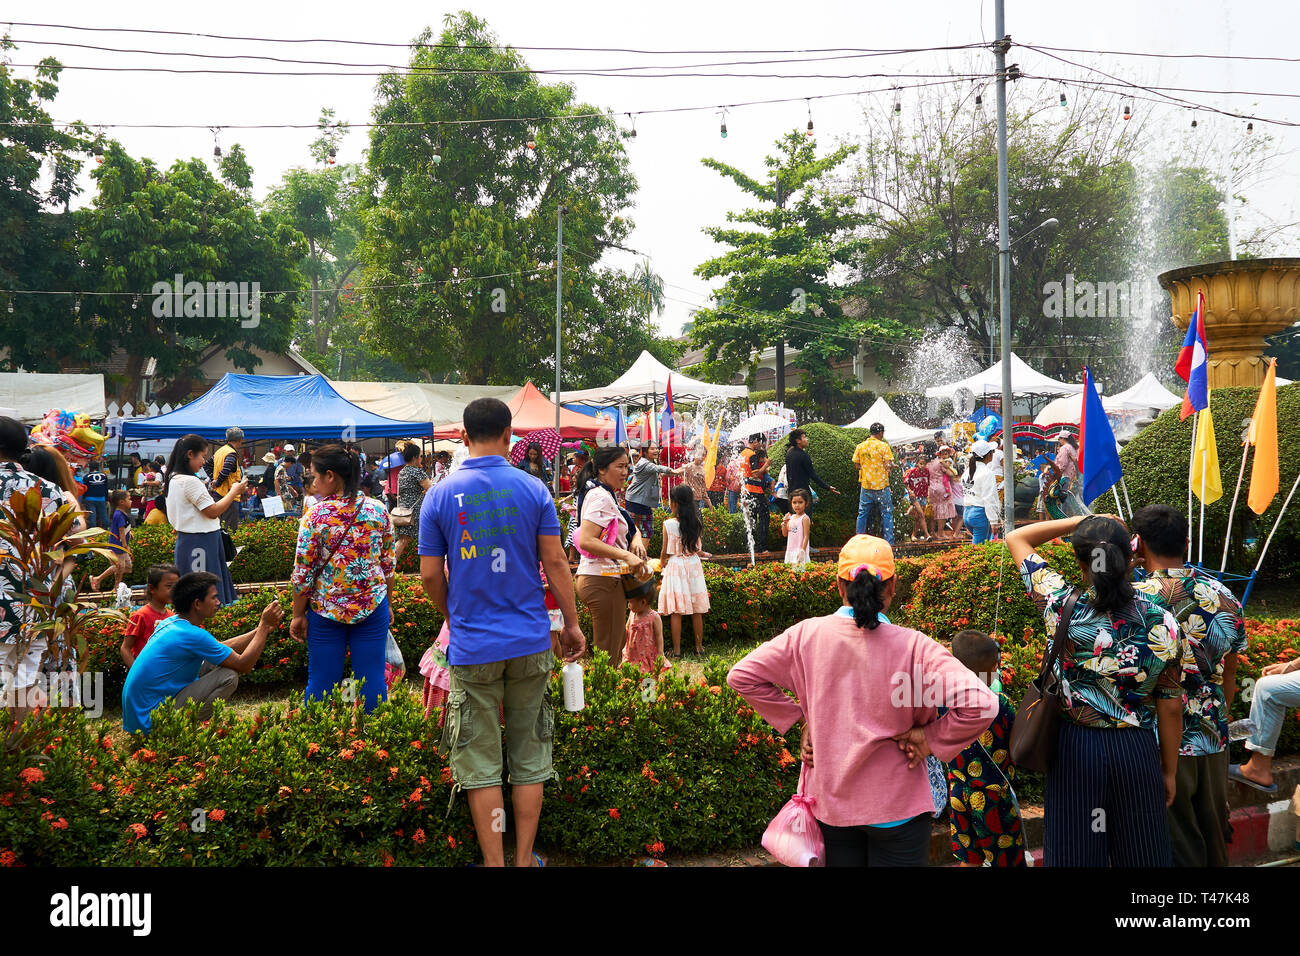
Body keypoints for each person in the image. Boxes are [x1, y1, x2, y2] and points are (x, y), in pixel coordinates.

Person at [727, 535, 997, 867]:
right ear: (893, 586)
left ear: (840, 587)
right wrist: (929, 739)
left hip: (833, 805)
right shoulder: (916, 647)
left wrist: (802, 719)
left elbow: (741, 676)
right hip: (899, 809)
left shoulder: (805, 636)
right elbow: (983, 703)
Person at [418, 397, 585, 868]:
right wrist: (571, 624)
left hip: (472, 648)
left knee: (480, 761)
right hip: (531, 641)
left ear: (464, 437)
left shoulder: (440, 494)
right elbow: (555, 563)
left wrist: (453, 616)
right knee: (530, 756)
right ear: (510, 437)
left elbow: (430, 574)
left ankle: (494, 863)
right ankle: (524, 859)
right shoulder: (534, 490)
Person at [1006, 513, 1183, 867]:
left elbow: (1017, 538)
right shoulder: (1161, 620)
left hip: (1075, 750)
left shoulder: (1060, 606)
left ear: (1079, 561)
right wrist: (1168, 771)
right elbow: (1171, 705)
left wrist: (1083, 520)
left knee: (1075, 854)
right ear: (1130, 557)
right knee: (1143, 856)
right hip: (1136, 750)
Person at [1128, 504, 1245, 866]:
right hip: (1213, 733)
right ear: (1188, 542)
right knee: (1213, 832)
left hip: (1161, 738)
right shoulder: (1223, 594)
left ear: (1138, 544)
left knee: (1178, 841)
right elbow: (1229, 675)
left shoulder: (1135, 600)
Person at [289, 444, 395, 714]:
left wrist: (297, 615)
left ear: (331, 476)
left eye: (314, 475)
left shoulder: (314, 517)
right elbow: (388, 567)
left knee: (322, 679)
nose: (313, 482)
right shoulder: (378, 510)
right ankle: (374, 741)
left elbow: (303, 574)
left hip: (326, 610)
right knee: (372, 676)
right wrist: (388, 604)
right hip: (372, 606)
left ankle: (317, 740)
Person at [121, 571, 283, 735]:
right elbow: (244, 664)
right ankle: (188, 731)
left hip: (139, 717)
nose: (218, 602)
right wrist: (263, 627)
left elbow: (218, 647)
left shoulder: (172, 623)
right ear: (197, 604)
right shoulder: (192, 634)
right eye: (213, 598)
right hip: (151, 722)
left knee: (214, 660)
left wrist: (261, 630)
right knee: (228, 676)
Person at [0, 418, 75, 723]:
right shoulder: (51, 490)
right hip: (35, 605)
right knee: (23, 683)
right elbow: (66, 549)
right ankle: (17, 755)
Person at [947, 630, 1026, 867]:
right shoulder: (1000, 703)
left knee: (969, 859)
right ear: (993, 668)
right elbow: (1018, 740)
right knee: (1007, 859)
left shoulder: (944, 701)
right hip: (993, 798)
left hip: (959, 792)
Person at [574, 446, 649, 662]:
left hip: (604, 578)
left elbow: (626, 524)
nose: (626, 472)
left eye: (627, 466)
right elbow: (587, 540)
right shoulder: (600, 496)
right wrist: (626, 556)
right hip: (602, 579)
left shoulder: (606, 494)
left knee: (613, 646)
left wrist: (634, 541)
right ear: (602, 469)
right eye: (620, 466)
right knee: (608, 653)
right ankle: (599, 694)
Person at [163, 434, 245, 605]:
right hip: (200, 541)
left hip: (192, 540)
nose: (203, 462)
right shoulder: (189, 481)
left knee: (194, 594)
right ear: (190, 454)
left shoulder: (173, 478)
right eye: (202, 456)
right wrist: (233, 492)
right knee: (203, 595)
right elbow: (213, 511)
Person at [658, 484, 711, 657]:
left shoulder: (668, 524)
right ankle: (699, 647)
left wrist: (661, 563)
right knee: (697, 610)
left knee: (676, 611)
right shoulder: (696, 522)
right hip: (693, 565)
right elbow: (696, 548)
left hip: (676, 566)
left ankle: (677, 651)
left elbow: (665, 551)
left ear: (674, 503)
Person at [119, 564, 179, 668]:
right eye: (169, 586)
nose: (174, 590)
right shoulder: (140, 616)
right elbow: (125, 648)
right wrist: (136, 672)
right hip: (147, 673)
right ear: (152, 588)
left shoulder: (172, 616)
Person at [625, 443, 679, 542]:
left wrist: (668, 474)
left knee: (635, 529)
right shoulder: (645, 463)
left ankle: (635, 554)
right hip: (637, 501)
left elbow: (656, 473)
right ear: (645, 452)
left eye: (657, 448)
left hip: (636, 499)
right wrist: (671, 470)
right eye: (652, 449)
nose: (656, 450)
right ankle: (640, 556)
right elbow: (658, 468)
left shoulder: (648, 463)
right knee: (646, 531)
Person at [851, 423, 895, 543]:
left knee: (862, 513)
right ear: (880, 433)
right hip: (882, 486)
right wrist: (890, 466)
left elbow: (857, 465)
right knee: (886, 513)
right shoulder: (884, 446)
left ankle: (859, 541)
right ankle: (889, 542)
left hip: (866, 485)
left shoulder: (860, 446)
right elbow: (888, 465)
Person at [394, 443, 432, 566]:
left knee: (403, 540)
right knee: (424, 539)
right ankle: (426, 567)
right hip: (415, 511)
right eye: (420, 456)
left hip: (404, 511)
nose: (421, 459)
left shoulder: (402, 472)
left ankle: (389, 567)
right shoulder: (417, 472)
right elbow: (431, 489)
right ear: (415, 457)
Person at [783, 428, 838, 511]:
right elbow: (813, 475)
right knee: (805, 519)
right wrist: (827, 487)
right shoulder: (803, 456)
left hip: (792, 493)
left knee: (795, 520)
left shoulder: (789, 453)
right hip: (803, 493)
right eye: (804, 437)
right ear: (798, 440)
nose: (807, 439)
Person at [90, 490, 133, 592]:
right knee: (120, 567)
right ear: (122, 502)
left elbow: (124, 528)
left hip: (120, 546)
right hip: (117, 546)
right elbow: (121, 531)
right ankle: (115, 588)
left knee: (128, 568)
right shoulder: (118, 514)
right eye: (129, 499)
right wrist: (125, 546)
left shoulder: (123, 514)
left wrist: (130, 533)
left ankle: (97, 579)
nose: (131, 501)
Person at [623, 575, 666, 674]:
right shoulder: (632, 614)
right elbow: (626, 629)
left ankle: (651, 688)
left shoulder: (654, 617)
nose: (628, 606)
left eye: (630, 602)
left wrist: (660, 653)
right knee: (633, 677)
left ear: (643, 602)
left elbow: (659, 636)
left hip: (648, 655)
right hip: (632, 654)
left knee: (649, 678)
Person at [962, 440, 1001, 545]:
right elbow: (989, 498)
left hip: (967, 513)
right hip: (980, 514)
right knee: (979, 550)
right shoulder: (987, 473)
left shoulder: (968, 471)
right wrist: (993, 521)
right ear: (988, 454)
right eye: (992, 451)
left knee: (980, 546)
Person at [739, 434, 772, 553]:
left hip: (745, 490)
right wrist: (766, 465)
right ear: (755, 442)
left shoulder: (742, 454)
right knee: (764, 517)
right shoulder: (752, 455)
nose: (761, 445)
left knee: (750, 519)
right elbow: (755, 474)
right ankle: (761, 547)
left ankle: (750, 547)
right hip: (755, 490)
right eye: (760, 442)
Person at [211, 427, 246, 531]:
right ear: (240, 440)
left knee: (220, 527)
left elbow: (207, 464)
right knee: (229, 530)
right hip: (229, 496)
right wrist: (217, 482)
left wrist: (214, 479)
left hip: (218, 495)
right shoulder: (231, 453)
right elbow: (227, 468)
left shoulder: (220, 451)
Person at [927, 446, 961, 540]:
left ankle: (933, 533)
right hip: (942, 488)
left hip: (932, 488)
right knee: (942, 511)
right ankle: (940, 533)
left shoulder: (929, 463)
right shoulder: (941, 462)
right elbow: (950, 474)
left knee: (934, 511)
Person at [903, 452, 931, 542]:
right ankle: (927, 535)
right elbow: (905, 483)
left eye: (924, 464)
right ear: (917, 463)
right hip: (914, 496)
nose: (922, 466)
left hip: (923, 496)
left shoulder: (927, 472)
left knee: (918, 517)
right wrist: (910, 491)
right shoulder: (912, 471)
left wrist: (928, 494)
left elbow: (928, 483)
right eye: (921, 463)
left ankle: (913, 535)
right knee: (922, 515)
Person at [782, 489, 812, 567]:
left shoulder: (805, 518)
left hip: (799, 552)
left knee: (800, 573)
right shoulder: (791, 517)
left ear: (806, 503)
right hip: (790, 551)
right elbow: (785, 534)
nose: (797, 505)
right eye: (794, 502)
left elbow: (806, 536)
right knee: (790, 575)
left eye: (800, 502)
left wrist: (802, 550)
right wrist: (785, 522)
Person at [81, 458, 110, 530]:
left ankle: (92, 534)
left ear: (90, 468)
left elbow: (84, 489)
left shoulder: (86, 477)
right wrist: (106, 499)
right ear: (98, 467)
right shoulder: (104, 476)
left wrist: (83, 499)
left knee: (92, 517)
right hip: (101, 498)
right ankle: (107, 530)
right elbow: (106, 488)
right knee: (104, 516)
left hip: (89, 499)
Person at [725, 447, 743, 514]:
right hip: (742, 487)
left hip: (732, 488)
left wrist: (730, 483)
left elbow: (727, 477)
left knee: (732, 507)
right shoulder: (744, 462)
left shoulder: (731, 463)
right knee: (743, 507)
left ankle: (732, 520)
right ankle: (741, 520)